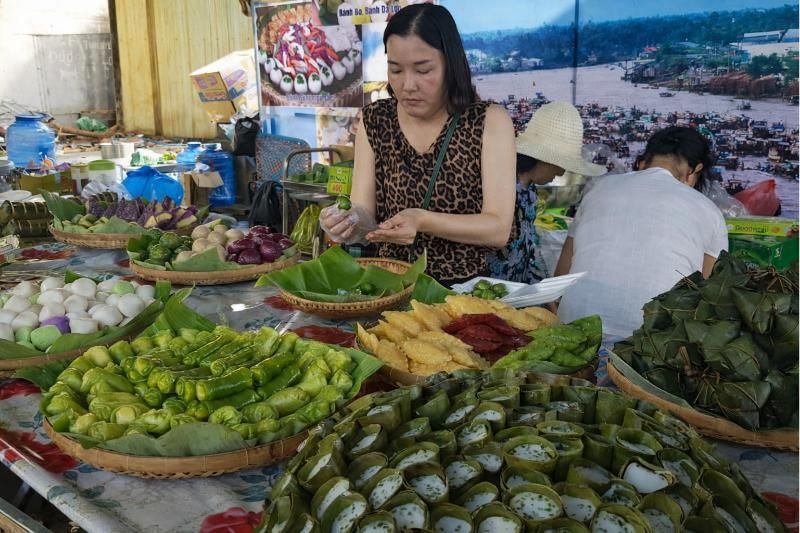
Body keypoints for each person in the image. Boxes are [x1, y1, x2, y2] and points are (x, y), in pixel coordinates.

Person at [319, 3, 516, 284]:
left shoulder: (488, 121)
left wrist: (421, 220)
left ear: (451, 64)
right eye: (396, 70)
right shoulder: (376, 119)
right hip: (388, 284)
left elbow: (497, 229)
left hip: (462, 291)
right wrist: (346, 222)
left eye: (423, 70)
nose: (408, 85)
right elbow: (364, 215)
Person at [555, 126, 728, 339]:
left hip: (574, 329)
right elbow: (708, 296)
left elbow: (560, 278)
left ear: (643, 161)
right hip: (649, 345)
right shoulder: (708, 210)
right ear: (695, 170)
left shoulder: (600, 188)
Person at [487, 102, 605, 284]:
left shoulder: (530, 192)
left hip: (517, 292)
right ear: (542, 159)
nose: (561, 173)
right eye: (560, 165)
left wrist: (546, 295)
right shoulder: (498, 187)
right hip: (488, 292)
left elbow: (527, 252)